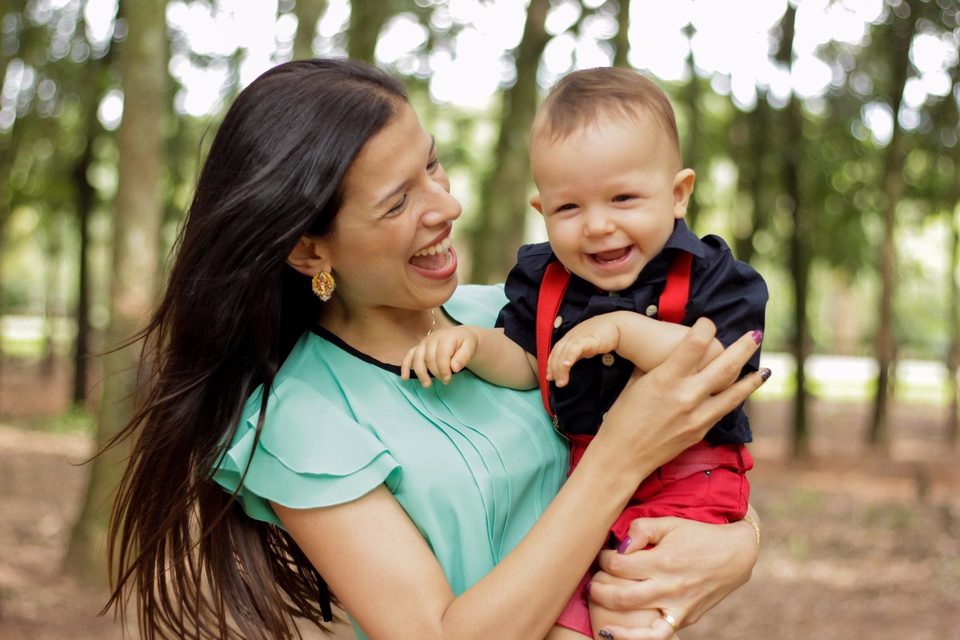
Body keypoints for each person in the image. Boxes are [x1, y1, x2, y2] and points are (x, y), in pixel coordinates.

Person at [104, 58, 770, 640]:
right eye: (397, 202)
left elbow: (684, 465)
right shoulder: (301, 422)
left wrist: (739, 546)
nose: (445, 206)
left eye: (430, 163)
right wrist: (621, 457)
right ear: (311, 251)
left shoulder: (505, 318)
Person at [401, 67, 768, 638]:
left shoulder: (709, 277)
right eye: (569, 208)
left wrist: (623, 330)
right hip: (585, 486)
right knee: (566, 619)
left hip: (689, 481)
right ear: (541, 209)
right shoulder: (542, 282)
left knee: (627, 598)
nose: (598, 225)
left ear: (678, 194)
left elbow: (715, 365)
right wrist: (475, 343)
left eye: (623, 198)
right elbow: (529, 364)